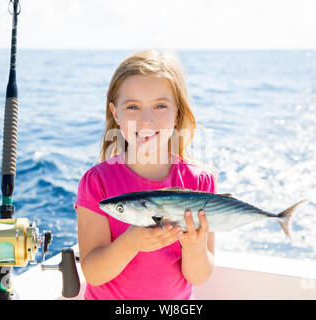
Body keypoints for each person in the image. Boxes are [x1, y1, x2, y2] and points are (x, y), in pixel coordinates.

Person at [75, 49, 218, 300]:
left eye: (160, 106)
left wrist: (195, 247)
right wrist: (131, 243)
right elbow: (93, 274)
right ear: (116, 114)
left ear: (177, 114)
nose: (146, 120)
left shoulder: (200, 182)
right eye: (133, 107)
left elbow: (199, 276)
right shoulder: (97, 183)